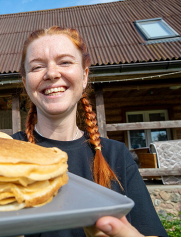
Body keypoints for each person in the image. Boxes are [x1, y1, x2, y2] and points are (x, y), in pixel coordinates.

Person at [11, 26, 167, 237]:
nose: (52, 73)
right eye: (37, 67)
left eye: (65, 62)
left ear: (84, 76)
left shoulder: (116, 155)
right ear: (25, 82)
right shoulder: (7, 154)